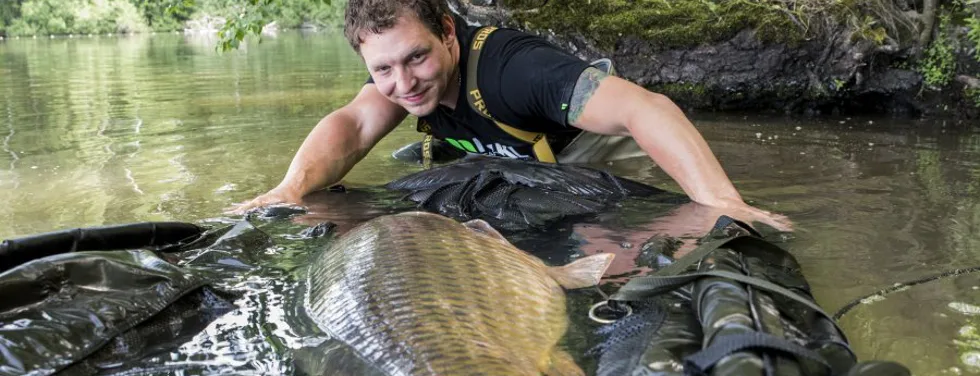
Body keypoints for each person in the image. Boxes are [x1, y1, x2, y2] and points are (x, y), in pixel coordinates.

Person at [230, 0, 792, 231]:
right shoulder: (398, 85)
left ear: (448, 33)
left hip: (585, 154)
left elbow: (649, 109)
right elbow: (351, 127)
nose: (403, 84)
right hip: (505, 158)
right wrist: (289, 189)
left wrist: (721, 204)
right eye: (383, 70)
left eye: (417, 57)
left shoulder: (515, 70)